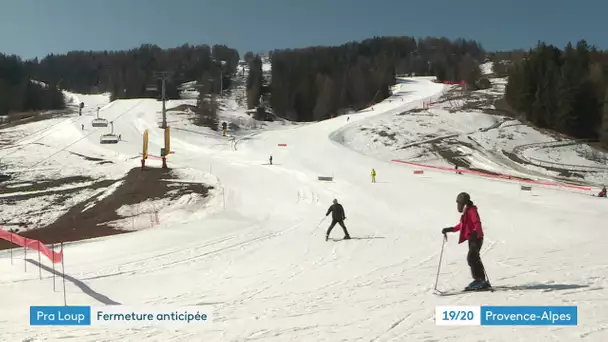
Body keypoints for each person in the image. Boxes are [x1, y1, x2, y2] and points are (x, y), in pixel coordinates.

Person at [441, 192, 489, 290]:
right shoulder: (466, 212)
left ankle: (480, 280)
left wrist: (476, 233)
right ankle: (481, 280)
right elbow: (461, 226)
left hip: (476, 238)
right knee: (474, 258)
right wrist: (450, 229)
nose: (458, 205)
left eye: (460, 203)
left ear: (464, 203)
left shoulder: (472, 211)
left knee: (472, 258)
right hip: (472, 238)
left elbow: (477, 223)